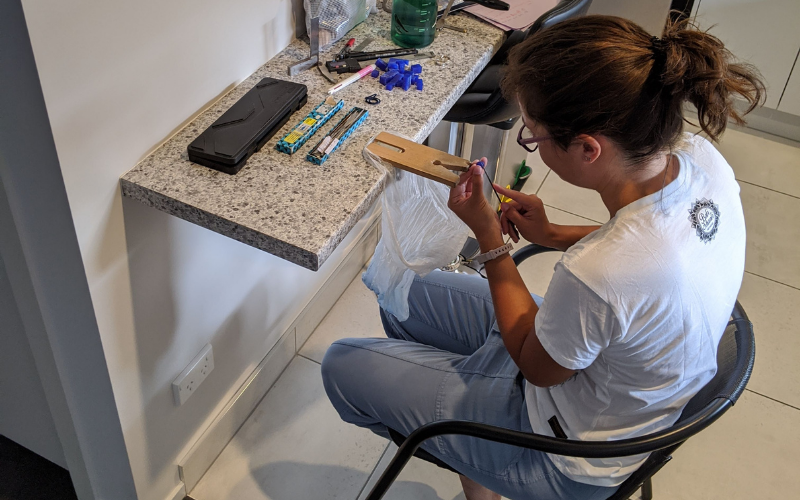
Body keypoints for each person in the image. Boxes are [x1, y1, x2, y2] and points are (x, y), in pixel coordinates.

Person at [321, 14, 764, 500]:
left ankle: (480, 453)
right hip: (609, 381)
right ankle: (471, 452)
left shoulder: (600, 272)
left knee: (340, 365)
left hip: (564, 454)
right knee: (403, 295)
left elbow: (538, 367)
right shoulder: (700, 161)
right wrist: (551, 233)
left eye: (533, 134)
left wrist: (490, 239)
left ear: (588, 148)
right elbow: (649, 243)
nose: (528, 142)